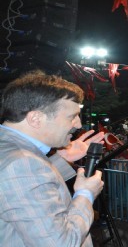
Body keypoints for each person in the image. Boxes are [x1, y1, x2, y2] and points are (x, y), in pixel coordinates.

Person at [0, 71, 105, 246]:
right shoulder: (22, 164)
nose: (78, 124)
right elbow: (61, 243)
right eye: (71, 117)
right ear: (35, 118)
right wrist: (85, 194)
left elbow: (17, 190)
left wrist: (61, 159)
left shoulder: (11, 150)